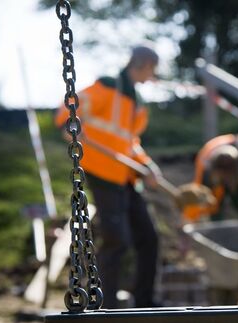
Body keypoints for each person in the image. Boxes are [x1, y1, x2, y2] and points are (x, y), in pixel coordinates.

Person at [55, 46, 169, 309]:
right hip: (103, 171)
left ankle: (145, 301)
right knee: (116, 238)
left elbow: (130, 143)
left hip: (126, 177)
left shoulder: (136, 103)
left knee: (148, 238)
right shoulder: (108, 87)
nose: (153, 75)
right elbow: (70, 108)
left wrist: (147, 166)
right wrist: (69, 124)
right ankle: (107, 306)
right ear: (143, 64)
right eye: (153, 68)